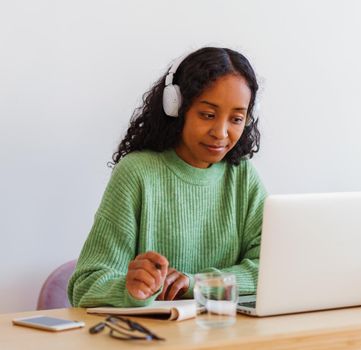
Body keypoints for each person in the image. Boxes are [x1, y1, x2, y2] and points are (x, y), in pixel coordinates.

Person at [68, 47, 267, 307]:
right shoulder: (137, 173)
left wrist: (197, 284)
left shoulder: (243, 176)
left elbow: (272, 268)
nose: (221, 132)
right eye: (207, 115)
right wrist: (132, 290)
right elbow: (86, 285)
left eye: (237, 119)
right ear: (175, 107)